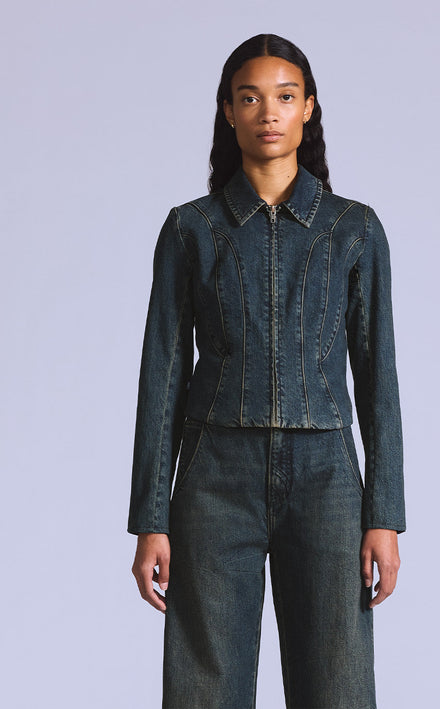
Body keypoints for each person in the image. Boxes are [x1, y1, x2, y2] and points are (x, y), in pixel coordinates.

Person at [127, 33, 406, 709]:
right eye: (249, 98)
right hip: (214, 479)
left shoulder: (354, 229)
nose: (268, 112)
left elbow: (378, 380)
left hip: (327, 481)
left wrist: (384, 515)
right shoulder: (190, 229)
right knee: (203, 690)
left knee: (337, 687)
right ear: (228, 111)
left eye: (284, 96)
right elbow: (162, 375)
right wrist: (150, 519)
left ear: (308, 107)